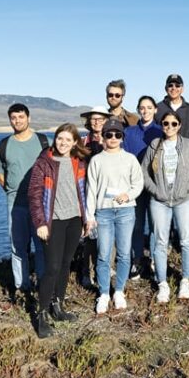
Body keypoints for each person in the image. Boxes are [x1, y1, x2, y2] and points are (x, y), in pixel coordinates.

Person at [28, 123, 90, 338]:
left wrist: (85, 219)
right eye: (60, 138)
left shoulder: (78, 162)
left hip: (74, 219)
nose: (63, 143)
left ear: (75, 142)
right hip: (53, 221)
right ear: (55, 139)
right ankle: (42, 314)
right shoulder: (44, 163)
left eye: (68, 140)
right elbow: (34, 195)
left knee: (65, 265)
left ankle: (58, 306)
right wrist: (40, 223)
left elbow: (83, 192)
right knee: (52, 267)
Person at [142, 111, 189, 303]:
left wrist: (187, 188)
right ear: (161, 125)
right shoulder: (154, 145)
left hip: (184, 200)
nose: (169, 127)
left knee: (186, 240)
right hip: (160, 201)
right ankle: (162, 283)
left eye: (173, 123)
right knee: (160, 242)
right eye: (166, 123)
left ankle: (185, 279)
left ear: (179, 125)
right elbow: (143, 172)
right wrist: (155, 191)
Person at [86, 118, 144, 314]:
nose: (113, 138)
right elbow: (91, 190)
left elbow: (138, 183)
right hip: (103, 212)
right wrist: (90, 215)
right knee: (103, 254)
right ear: (103, 136)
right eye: (109, 134)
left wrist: (128, 195)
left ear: (122, 137)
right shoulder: (96, 160)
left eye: (117, 134)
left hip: (126, 211)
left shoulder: (130, 159)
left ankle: (119, 290)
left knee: (124, 253)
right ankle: (103, 293)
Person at [0, 103, 49, 301]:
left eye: (21, 117)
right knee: (18, 246)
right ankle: (21, 286)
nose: (17, 121)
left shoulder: (43, 142)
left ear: (29, 118)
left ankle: (43, 284)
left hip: (40, 204)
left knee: (42, 245)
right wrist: (12, 190)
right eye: (13, 118)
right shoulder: (3, 146)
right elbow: (0, 174)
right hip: (15, 204)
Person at [123, 96, 163, 279]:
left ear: (155, 109)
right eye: (142, 108)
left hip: (155, 185)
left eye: (149, 107)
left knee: (156, 225)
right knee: (137, 225)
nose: (145, 111)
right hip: (135, 186)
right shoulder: (129, 132)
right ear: (138, 110)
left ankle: (155, 260)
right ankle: (137, 259)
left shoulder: (162, 131)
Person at [78, 105, 112, 287]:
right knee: (90, 233)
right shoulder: (83, 142)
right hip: (88, 192)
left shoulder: (112, 139)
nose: (97, 122)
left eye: (100, 119)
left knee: (108, 233)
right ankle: (87, 272)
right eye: (94, 119)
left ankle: (106, 269)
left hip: (108, 193)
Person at [155, 74, 189, 139]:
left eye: (177, 86)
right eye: (170, 85)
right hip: (162, 147)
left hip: (186, 148)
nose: (174, 88)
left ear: (182, 89)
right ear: (165, 88)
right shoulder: (157, 108)